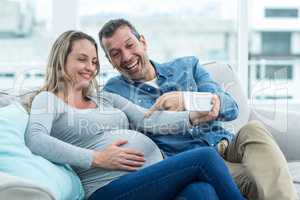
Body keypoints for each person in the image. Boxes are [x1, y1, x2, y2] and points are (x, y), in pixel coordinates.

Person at [25, 30, 244, 200]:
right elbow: (36, 139)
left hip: (147, 180)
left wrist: (194, 116)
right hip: (106, 190)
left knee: (201, 191)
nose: (90, 68)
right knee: (205, 157)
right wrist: (97, 158)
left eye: (94, 62)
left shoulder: (104, 98)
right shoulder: (49, 99)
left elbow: (146, 118)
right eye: (82, 59)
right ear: (61, 60)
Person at [99, 18, 298, 200]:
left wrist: (187, 100)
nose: (126, 57)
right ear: (110, 61)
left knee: (253, 129)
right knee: (256, 179)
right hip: (192, 161)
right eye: (115, 54)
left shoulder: (187, 66)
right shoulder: (115, 92)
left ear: (143, 42)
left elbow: (229, 107)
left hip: (227, 146)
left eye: (130, 45)